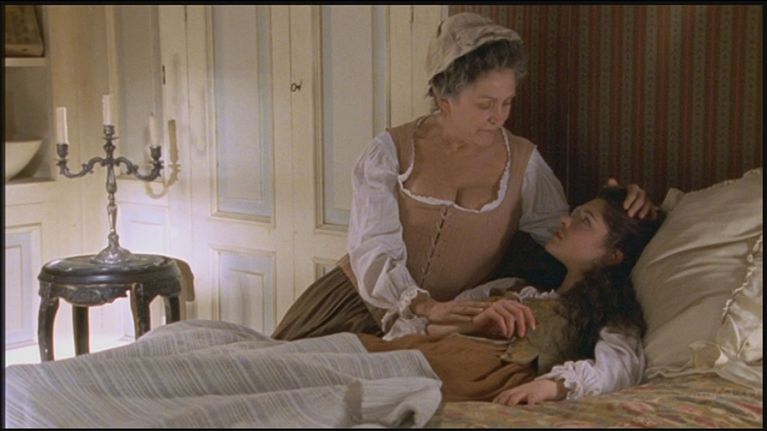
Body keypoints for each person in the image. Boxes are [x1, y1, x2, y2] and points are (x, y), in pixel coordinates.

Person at [272, 12, 656, 342]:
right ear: (445, 98)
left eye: (507, 102)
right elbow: (372, 249)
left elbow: (568, 236)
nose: (499, 117)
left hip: (443, 326)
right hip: (352, 303)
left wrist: (625, 206)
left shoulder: (524, 163)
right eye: (485, 104)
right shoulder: (389, 152)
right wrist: (423, 305)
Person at [360, 185, 664, 404]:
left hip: (455, 374)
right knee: (339, 359)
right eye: (574, 214)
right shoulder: (513, 287)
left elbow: (620, 368)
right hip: (414, 351)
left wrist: (550, 387)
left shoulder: (607, 313)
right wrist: (471, 324)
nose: (565, 221)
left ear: (612, 255)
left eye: (584, 221)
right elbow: (415, 331)